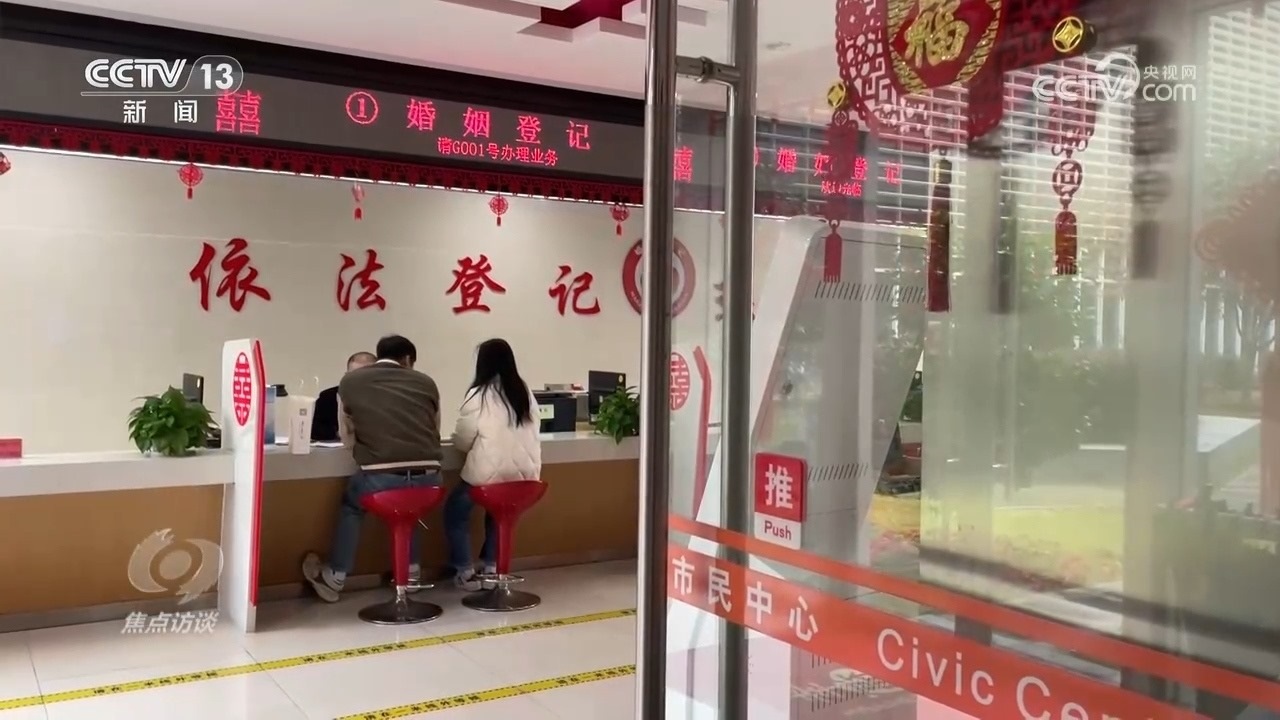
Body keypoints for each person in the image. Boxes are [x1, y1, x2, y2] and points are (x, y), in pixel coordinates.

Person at [302, 334, 443, 602]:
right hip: (431, 479)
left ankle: (336, 576)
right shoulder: (426, 382)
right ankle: (411, 574)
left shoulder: (350, 382)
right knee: (409, 511)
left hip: (380, 477)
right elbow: (435, 429)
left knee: (352, 506)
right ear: (408, 359)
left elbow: (347, 434)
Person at [445, 338, 542, 591]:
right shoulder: (524, 392)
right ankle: (492, 567)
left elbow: (463, 439)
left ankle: (465, 571)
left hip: (488, 477)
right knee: (500, 514)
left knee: (455, 512)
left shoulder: (479, 394)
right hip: (527, 478)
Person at [311, 351, 375, 442]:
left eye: (366, 376)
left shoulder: (387, 397)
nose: (359, 380)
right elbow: (315, 431)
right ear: (346, 376)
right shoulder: (328, 397)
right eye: (354, 375)